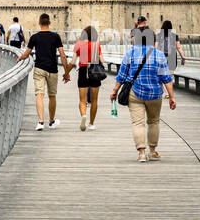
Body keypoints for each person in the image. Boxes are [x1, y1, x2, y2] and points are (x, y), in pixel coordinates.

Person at [110, 28, 176, 162]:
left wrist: (114, 91)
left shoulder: (131, 53)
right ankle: (152, 151)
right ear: (154, 40)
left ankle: (141, 153)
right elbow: (166, 79)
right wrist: (172, 97)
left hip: (135, 93)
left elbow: (122, 75)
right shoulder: (159, 55)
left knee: (138, 123)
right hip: (155, 94)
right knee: (153, 122)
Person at [19, 13, 71, 130]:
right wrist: (66, 72)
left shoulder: (34, 37)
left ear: (39, 23)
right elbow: (62, 55)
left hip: (39, 68)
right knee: (52, 96)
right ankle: (52, 122)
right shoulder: (56, 37)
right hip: (53, 69)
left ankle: (41, 122)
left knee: (39, 95)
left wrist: (19, 58)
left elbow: (27, 53)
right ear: (49, 23)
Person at [73, 25, 103, 131]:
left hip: (83, 70)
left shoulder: (79, 45)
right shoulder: (96, 45)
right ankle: (91, 123)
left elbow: (72, 61)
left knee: (82, 100)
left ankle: (83, 115)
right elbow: (102, 61)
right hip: (94, 71)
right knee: (94, 100)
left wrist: (66, 73)